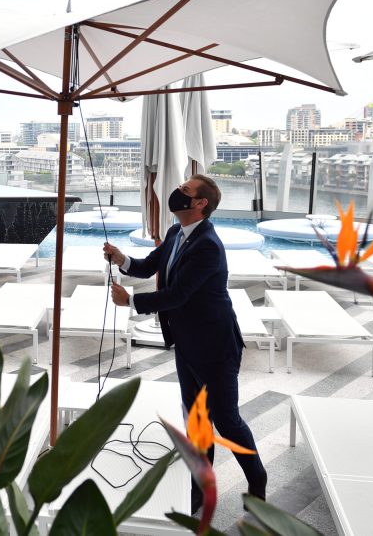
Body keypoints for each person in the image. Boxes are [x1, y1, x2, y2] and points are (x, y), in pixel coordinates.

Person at [103, 174, 266, 512]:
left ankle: (257, 479)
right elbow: (150, 266)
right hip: (187, 342)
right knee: (197, 419)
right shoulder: (177, 232)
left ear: (200, 204)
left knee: (226, 419)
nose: (177, 192)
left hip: (216, 346)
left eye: (186, 191)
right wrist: (121, 259)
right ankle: (201, 486)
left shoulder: (208, 245)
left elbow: (177, 295)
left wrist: (130, 302)